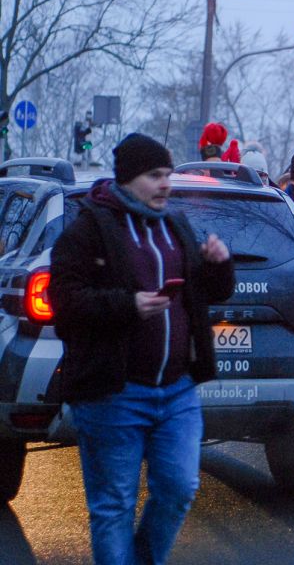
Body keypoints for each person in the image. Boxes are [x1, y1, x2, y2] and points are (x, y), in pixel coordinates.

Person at [48, 133, 234, 564]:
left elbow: (209, 293)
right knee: (113, 507)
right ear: (128, 178)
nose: (166, 184)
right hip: (113, 392)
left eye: (169, 175)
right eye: (155, 176)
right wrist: (127, 305)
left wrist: (219, 264)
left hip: (176, 391)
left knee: (179, 487)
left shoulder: (175, 225)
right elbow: (64, 300)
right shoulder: (89, 228)